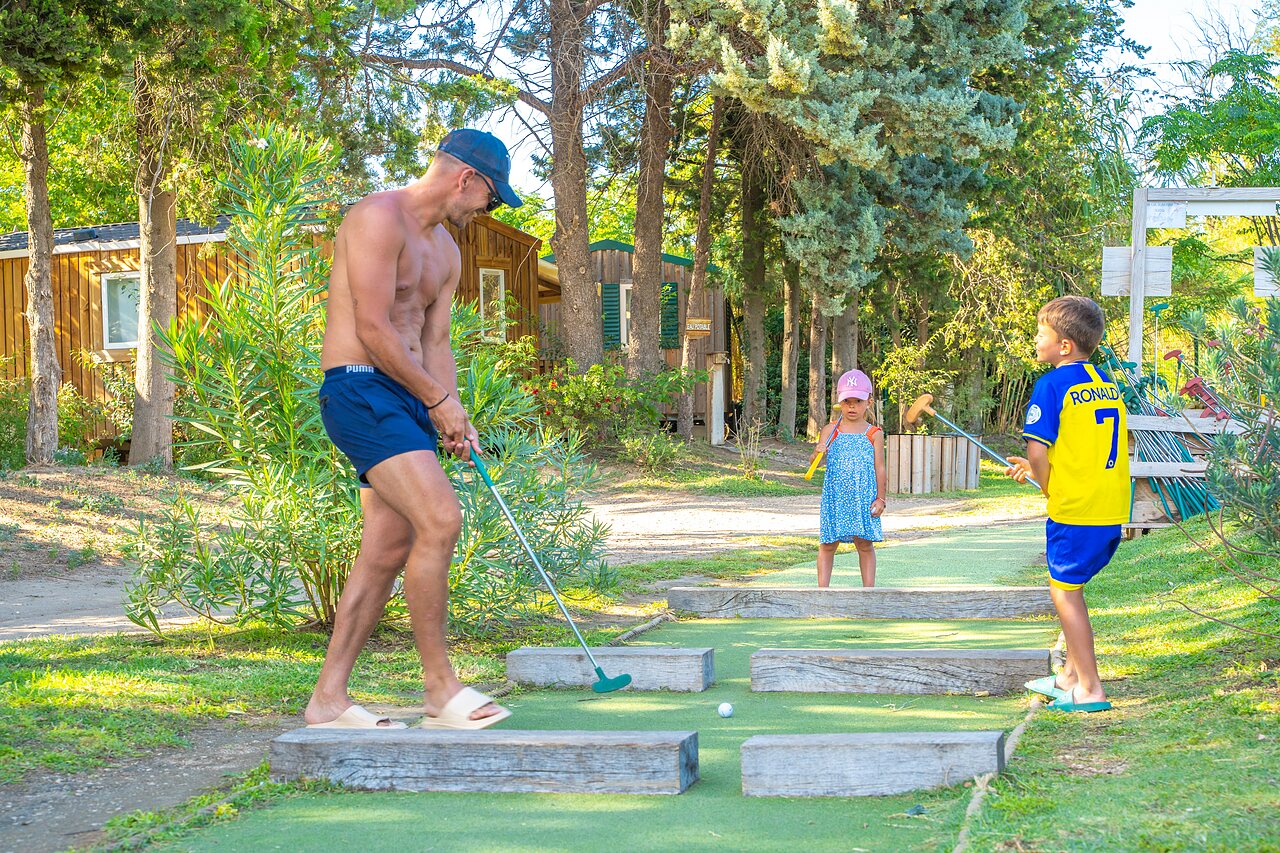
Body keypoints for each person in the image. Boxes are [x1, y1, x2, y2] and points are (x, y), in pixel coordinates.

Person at [303, 128, 523, 730]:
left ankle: (328, 698)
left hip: (407, 397)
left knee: (387, 547)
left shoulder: (446, 251)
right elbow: (372, 328)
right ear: (465, 179)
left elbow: (435, 340)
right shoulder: (377, 218)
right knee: (441, 518)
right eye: (491, 197)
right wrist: (435, 398)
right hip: (358, 387)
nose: (489, 210)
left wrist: (451, 410)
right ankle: (439, 690)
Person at [1006, 295, 1129, 713]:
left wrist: (1044, 483)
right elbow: (1079, 449)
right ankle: (1068, 677)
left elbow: (1039, 452)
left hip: (1075, 510)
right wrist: (1039, 467)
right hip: (1109, 507)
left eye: (1041, 333)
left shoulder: (1052, 384)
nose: (1035, 340)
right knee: (1072, 587)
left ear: (1063, 346)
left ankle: (1090, 689)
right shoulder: (1103, 383)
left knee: (1064, 593)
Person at [811, 369, 886, 588]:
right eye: (847, 401)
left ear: (868, 402)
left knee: (864, 544)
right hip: (835, 498)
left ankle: (868, 593)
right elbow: (813, 462)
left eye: (858, 401)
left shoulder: (874, 433)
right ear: (839, 403)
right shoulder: (830, 430)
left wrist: (881, 499)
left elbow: (879, 468)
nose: (852, 406)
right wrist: (818, 450)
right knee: (828, 544)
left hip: (863, 497)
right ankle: (822, 593)